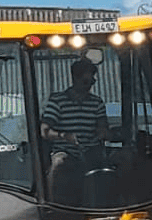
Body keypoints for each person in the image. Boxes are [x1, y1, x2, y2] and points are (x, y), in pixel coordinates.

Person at [40, 57, 108, 202]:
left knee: (120, 161)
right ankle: (52, 203)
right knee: (59, 164)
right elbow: (44, 130)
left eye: (92, 82)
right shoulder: (58, 101)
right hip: (65, 150)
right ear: (75, 78)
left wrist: (102, 133)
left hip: (91, 150)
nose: (89, 86)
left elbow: (102, 127)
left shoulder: (97, 103)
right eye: (85, 81)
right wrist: (64, 136)